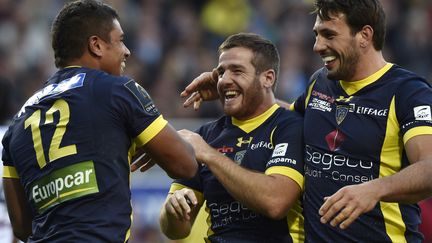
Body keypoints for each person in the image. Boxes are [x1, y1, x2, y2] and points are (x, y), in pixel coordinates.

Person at [180, 0, 432, 242]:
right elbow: (287, 114)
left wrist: (375, 189)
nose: (317, 46)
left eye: (329, 35)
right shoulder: (320, 82)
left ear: (364, 35)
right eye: (317, 35)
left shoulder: (408, 92)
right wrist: (235, 87)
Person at [1, 0, 198, 242]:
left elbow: (21, 226)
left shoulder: (17, 123)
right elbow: (186, 165)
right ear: (96, 45)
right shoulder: (117, 90)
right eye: (120, 40)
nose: (127, 50)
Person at [160, 33, 305, 242]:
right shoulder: (206, 135)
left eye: (237, 71)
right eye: (220, 72)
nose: (224, 80)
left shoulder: (290, 126)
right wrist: (173, 211)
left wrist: (209, 155)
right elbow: (175, 230)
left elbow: (275, 202)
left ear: (268, 78)